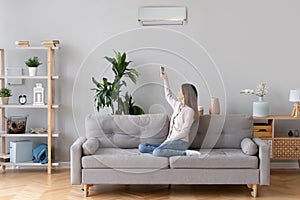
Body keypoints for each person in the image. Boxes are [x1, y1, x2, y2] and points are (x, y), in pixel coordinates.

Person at [138, 70, 200, 157]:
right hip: (170, 141)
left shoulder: (189, 111)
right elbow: (168, 96)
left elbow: (185, 132)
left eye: (180, 91)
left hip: (180, 143)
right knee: (142, 147)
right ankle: (166, 151)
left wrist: (169, 141)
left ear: (185, 94)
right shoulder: (178, 106)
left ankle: (186, 153)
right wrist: (165, 79)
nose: (178, 92)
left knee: (157, 152)